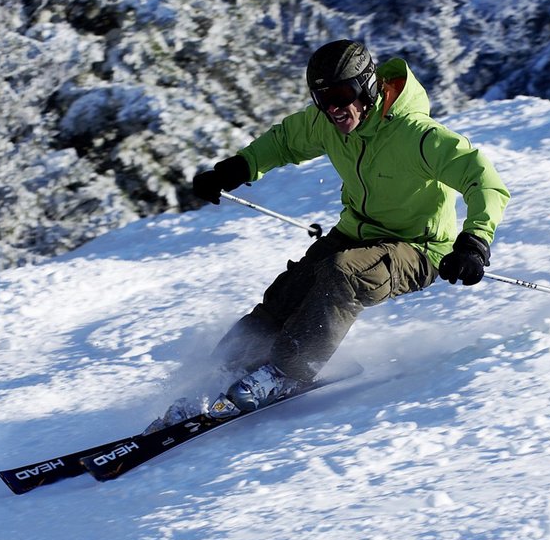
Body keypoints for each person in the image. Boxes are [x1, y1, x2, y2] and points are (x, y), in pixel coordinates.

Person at [148, 39, 510, 430]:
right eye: (322, 98)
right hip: (355, 233)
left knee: (342, 274)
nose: (333, 109)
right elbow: (286, 140)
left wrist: (474, 241)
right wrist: (237, 168)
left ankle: (287, 372)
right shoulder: (330, 123)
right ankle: (218, 375)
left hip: (418, 247)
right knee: (287, 293)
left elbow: (483, 179)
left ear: (368, 87)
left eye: (341, 95)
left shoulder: (416, 135)